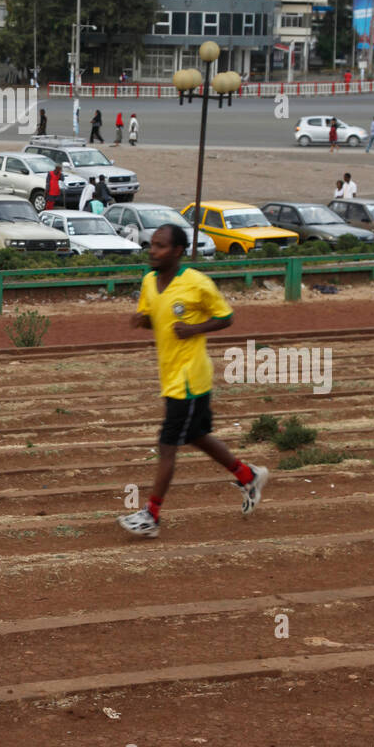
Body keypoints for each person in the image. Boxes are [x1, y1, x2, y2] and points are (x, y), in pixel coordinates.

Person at [117, 223, 267, 539]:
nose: (152, 250)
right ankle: (248, 475)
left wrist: (195, 329)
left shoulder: (197, 284)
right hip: (172, 375)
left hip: (189, 378)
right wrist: (142, 321)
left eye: (160, 246)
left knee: (167, 445)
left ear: (178, 251)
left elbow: (226, 317)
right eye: (152, 244)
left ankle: (151, 515)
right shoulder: (148, 282)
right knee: (197, 435)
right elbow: (154, 319)